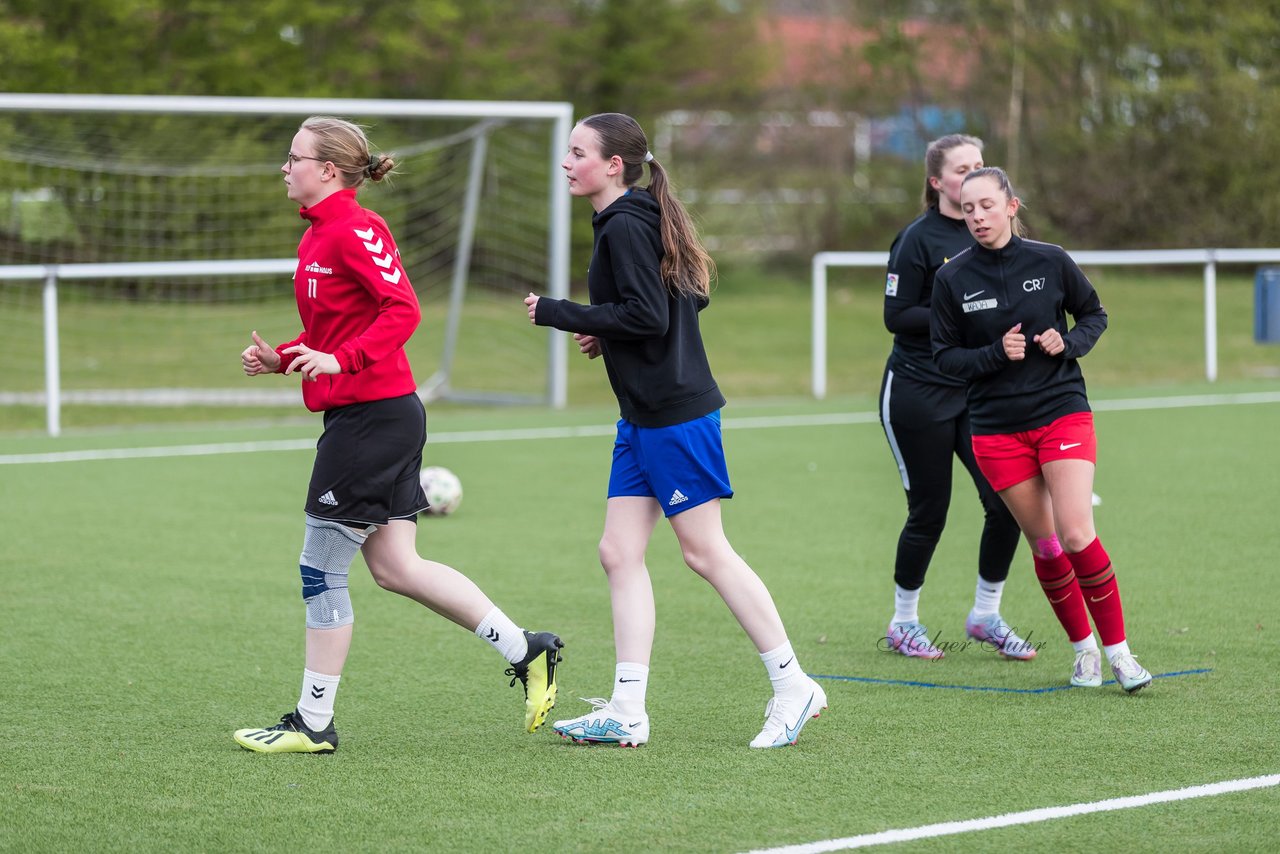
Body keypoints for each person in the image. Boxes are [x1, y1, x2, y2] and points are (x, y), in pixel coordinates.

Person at [233, 116, 563, 754]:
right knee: (396, 567)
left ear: (328, 170)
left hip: (373, 418)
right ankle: (528, 649)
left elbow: (402, 308)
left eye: (294, 156)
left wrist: (343, 362)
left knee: (320, 569)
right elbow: (337, 330)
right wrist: (287, 357)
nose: (285, 166)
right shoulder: (319, 235)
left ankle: (312, 723)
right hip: (372, 413)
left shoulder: (355, 227)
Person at [523, 112, 826, 748]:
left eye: (578, 152)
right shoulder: (633, 219)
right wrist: (607, 332)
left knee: (705, 552)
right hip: (642, 416)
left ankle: (794, 684)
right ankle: (627, 710)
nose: (567, 162)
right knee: (618, 552)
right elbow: (679, 300)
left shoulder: (626, 224)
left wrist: (559, 313)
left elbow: (649, 314)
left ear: (613, 165)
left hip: (675, 416)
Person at [930, 166, 1152, 692]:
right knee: (1048, 547)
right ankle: (1084, 654)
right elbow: (943, 357)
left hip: (1060, 412)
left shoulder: (1050, 260)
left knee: (1076, 533)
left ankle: (1120, 654)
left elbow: (1093, 315)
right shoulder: (951, 279)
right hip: (995, 431)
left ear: (1012, 205)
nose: (977, 217)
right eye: (967, 209)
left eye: (987, 205)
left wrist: (1068, 343)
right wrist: (992, 353)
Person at [877, 134, 1033, 661]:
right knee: (930, 510)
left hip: (976, 393)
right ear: (936, 182)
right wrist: (960, 312)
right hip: (918, 392)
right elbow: (896, 317)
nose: (972, 174)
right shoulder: (918, 240)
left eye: (980, 165)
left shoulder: (992, 234)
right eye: (961, 168)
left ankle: (986, 614)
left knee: (1006, 503)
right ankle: (903, 622)